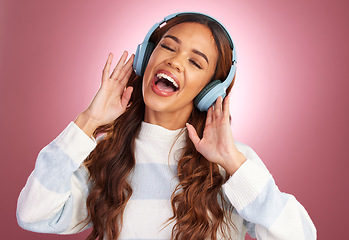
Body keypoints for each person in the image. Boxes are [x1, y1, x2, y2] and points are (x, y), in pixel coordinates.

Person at [16, 12, 316, 240]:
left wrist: (232, 162)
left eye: (195, 63)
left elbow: (300, 235)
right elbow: (34, 214)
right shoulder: (105, 157)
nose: (175, 62)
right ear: (147, 57)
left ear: (210, 89)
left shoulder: (232, 165)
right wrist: (88, 121)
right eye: (168, 47)